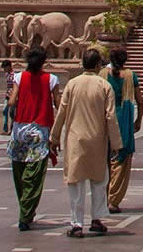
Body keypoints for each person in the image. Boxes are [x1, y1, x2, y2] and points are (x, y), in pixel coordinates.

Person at [51, 49, 122, 238]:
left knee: (75, 182)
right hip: (97, 139)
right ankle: (97, 219)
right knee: (99, 181)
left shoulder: (72, 85)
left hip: (75, 139)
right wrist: (116, 143)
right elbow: (111, 116)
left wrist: (54, 137)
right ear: (98, 65)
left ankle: (76, 223)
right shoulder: (104, 86)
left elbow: (61, 112)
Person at [7, 46, 59, 231]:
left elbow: (12, 101)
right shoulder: (51, 79)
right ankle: (26, 212)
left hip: (20, 128)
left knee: (19, 171)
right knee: (34, 175)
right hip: (39, 130)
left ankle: (25, 208)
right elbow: (58, 105)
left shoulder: (19, 77)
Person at [103, 49, 143, 213]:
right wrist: (138, 120)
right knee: (121, 159)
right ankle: (113, 199)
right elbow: (140, 101)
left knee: (105, 160)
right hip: (123, 120)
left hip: (105, 119)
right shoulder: (130, 76)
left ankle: (103, 198)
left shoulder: (102, 75)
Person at [0, 60, 16, 134]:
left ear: (9, 66)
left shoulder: (14, 75)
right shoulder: (7, 75)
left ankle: (11, 129)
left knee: (12, 113)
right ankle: (5, 128)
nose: (4, 70)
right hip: (7, 95)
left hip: (12, 96)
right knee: (4, 111)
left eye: (5, 68)